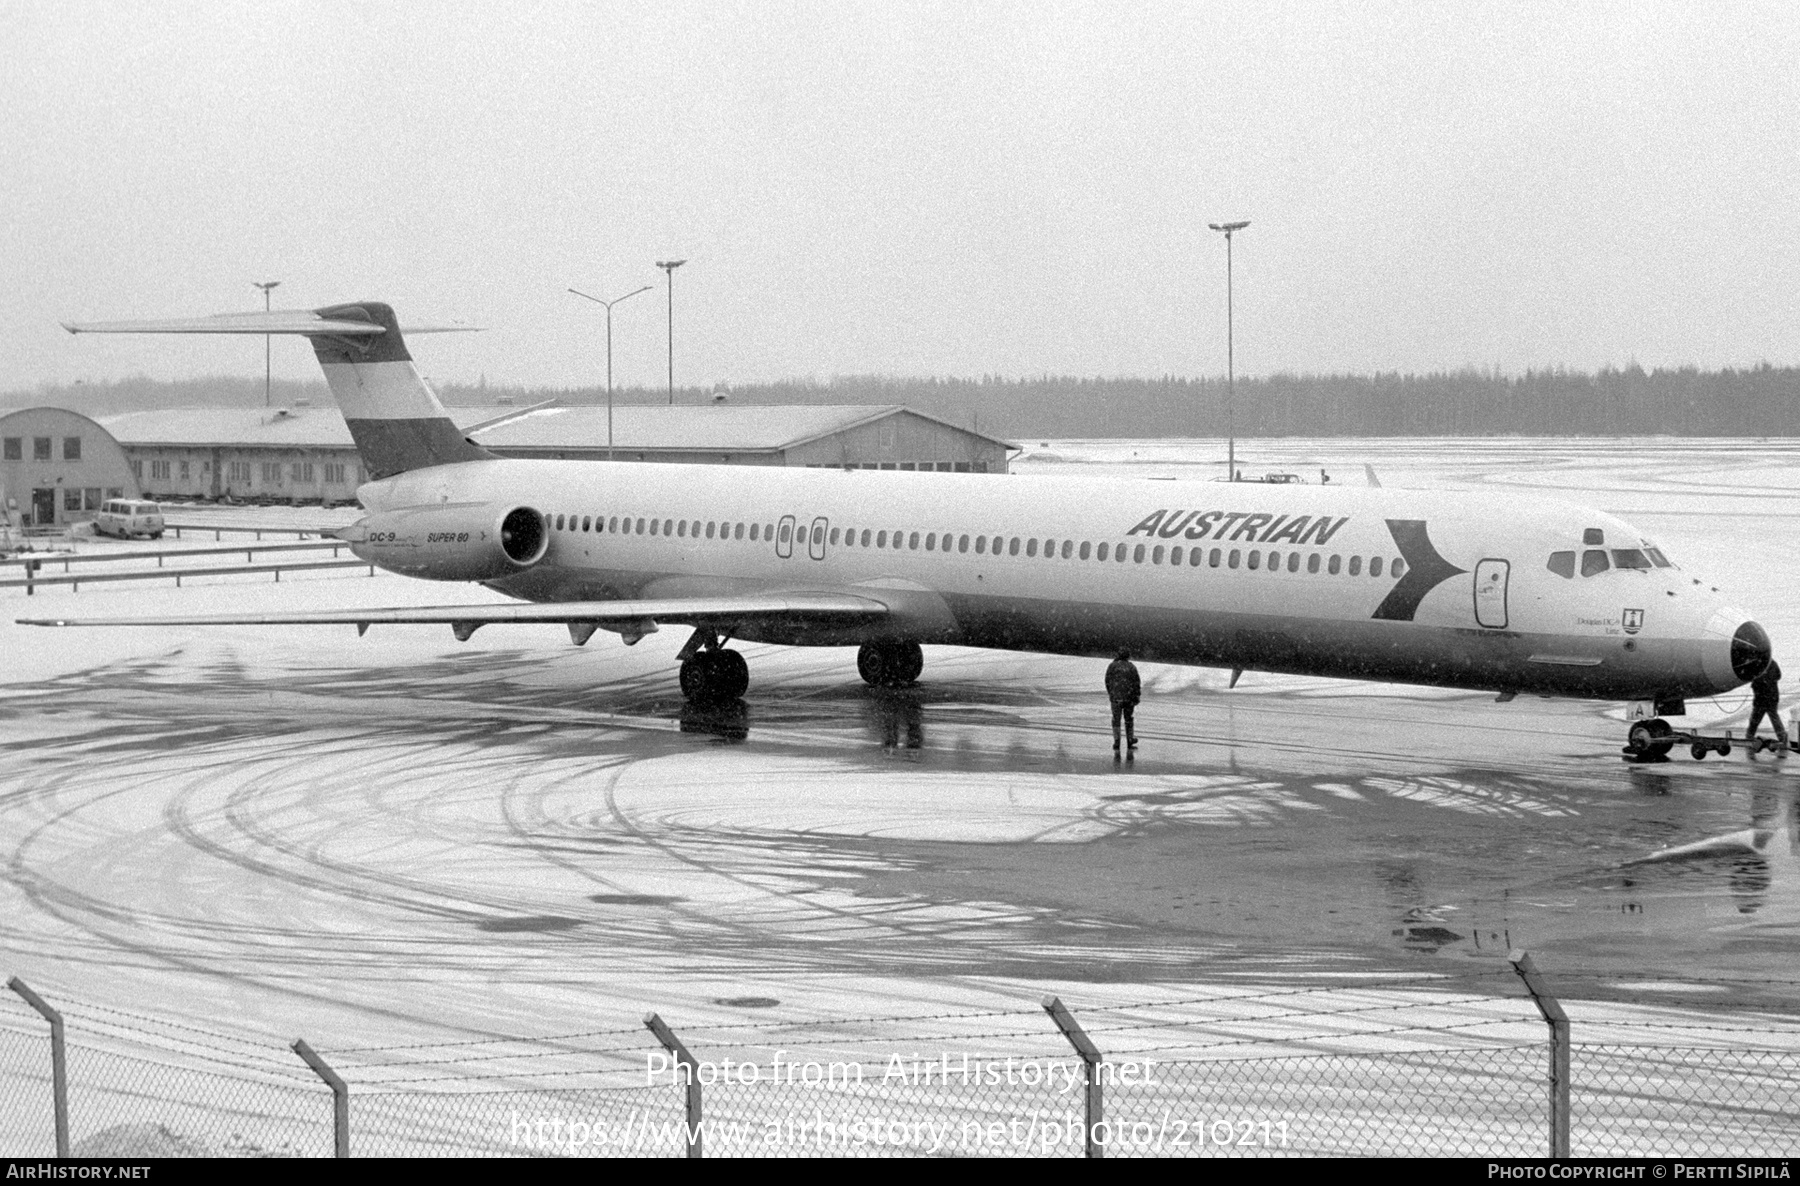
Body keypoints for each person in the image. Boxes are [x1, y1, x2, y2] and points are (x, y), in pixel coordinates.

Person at [1747, 659, 1788, 753]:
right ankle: (1783, 738)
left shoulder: (1758, 664)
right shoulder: (1772, 663)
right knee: (1774, 718)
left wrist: (1757, 682)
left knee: (1755, 719)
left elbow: (1757, 679)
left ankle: (1749, 737)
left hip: (1762, 697)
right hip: (1771, 697)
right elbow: (1778, 676)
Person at [1105, 649, 1141, 754]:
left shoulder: (1112, 666)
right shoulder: (1132, 667)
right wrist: (1136, 696)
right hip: (1129, 697)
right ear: (1128, 656)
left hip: (1116, 697)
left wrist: (1111, 693)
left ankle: (1117, 741)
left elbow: (1107, 680)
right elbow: (1136, 683)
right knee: (1128, 719)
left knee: (1116, 719)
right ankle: (1130, 740)